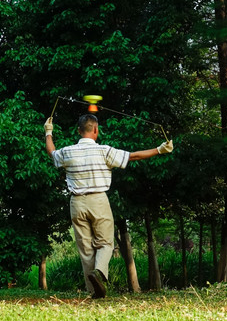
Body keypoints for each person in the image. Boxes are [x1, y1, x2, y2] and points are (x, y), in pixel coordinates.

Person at [44, 114, 173, 298]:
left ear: (79, 131)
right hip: (98, 201)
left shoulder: (68, 152)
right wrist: (160, 150)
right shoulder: (104, 151)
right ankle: (99, 271)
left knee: (85, 248)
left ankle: (93, 291)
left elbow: (51, 153)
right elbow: (132, 156)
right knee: (105, 243)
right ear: (95, 130)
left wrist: (49, 132)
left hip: (76, 203)